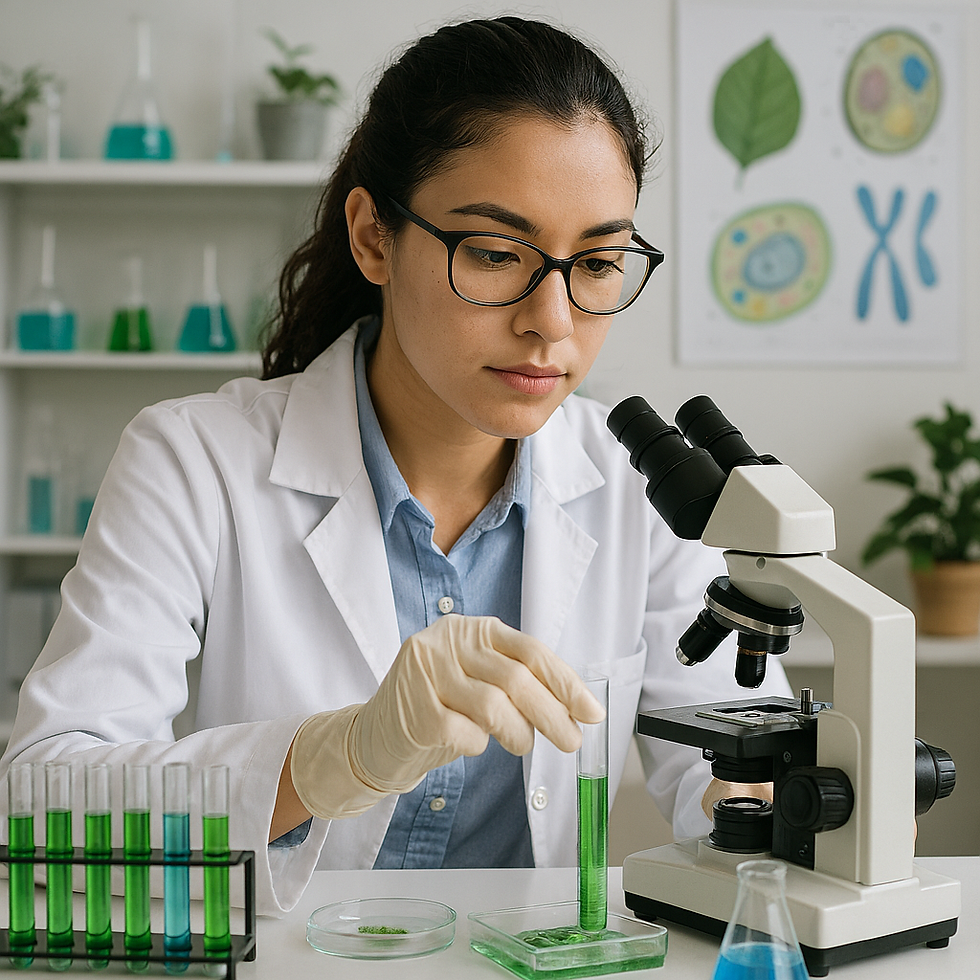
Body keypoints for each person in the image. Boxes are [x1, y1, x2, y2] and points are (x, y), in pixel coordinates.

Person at [0, 17, 790, 915]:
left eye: (600, 263)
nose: (553, 321)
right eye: (495, 254)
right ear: (374, 237)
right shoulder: (192, 461)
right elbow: (40, 806)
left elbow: (728, 761)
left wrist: (785, 806)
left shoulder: (639, 487)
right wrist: (334, 758)